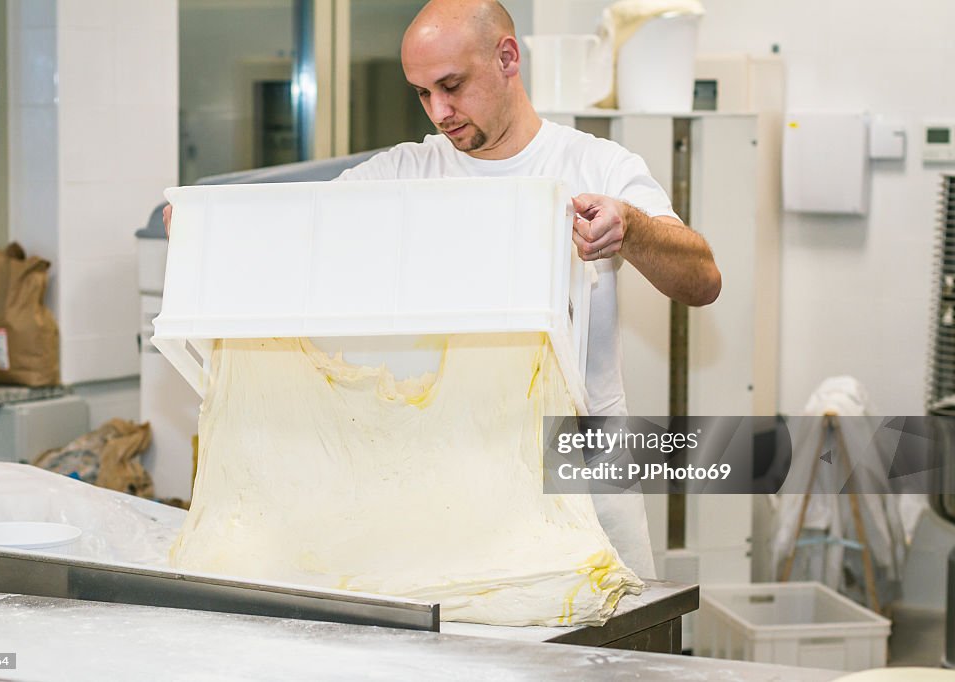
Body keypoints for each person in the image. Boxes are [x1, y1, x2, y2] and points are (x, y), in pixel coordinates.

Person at [164, 0, 721, 578]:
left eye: (451, 85)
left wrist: (631, 228)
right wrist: (212, 235)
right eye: (422, 93)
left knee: (599, 656)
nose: (439, 111)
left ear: (508, 58)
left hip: (580, 472)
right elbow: (302, 231)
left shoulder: (596, 165)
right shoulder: (405, 175)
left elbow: (702, 279)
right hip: (453, 488)